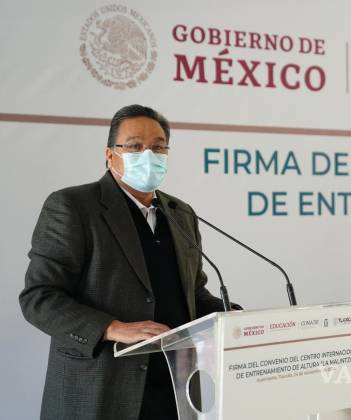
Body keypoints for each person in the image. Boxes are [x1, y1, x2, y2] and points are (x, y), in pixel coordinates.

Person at [19, 104, 236, 420]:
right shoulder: (73, 206)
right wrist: (113, 328)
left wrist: (233, 319)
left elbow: (193, 295)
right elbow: (39, 298)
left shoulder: (180, 213)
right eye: (135, 146)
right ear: (110, 155)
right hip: (102, 389)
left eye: (158, 147)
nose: (148, 155)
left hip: (176, 389)